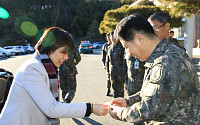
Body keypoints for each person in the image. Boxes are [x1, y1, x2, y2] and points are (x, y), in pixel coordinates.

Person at [0, 27, 108, 125]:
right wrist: (90, 108)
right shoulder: (32, 68)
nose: (66, 57)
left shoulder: (46, 67)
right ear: (50, 47)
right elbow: (51, 108)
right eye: (63, 52)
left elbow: (50, 104)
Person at [108, 14, 199, 124]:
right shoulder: (163, 55)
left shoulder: (165, 62)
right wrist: (128, 101)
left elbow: (149, 109)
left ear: (140, 39)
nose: (129, 53)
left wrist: (119, 112)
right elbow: (154, 93)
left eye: (127, 47)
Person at [106, 31, 125, 98]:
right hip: (112, 71)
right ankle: (115, 104)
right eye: (112, 36)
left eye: (115, 36)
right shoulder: (109, 48)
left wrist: (125, 73)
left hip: (120, 72)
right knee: (114, 88)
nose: (113, 38)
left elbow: (125, 61)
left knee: (120, 90)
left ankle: (121, 105)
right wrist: (108, 71)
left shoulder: (122, 47)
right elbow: (107, 61)